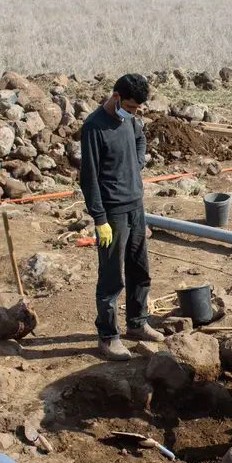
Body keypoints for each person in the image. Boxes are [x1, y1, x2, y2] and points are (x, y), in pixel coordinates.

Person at [79, 73, 164, 362]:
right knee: (112, 277)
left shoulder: (131, 119)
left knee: (140, 270)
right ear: (115, 96)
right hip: (112, 213)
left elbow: (140, 137)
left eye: (137, 109)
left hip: (135, 206)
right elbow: (88, 178)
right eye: (129, 107)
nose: (133, 113)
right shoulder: (93, 127)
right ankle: (108, 336)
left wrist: (139, 161)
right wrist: (99, 218)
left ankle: (138, 323)